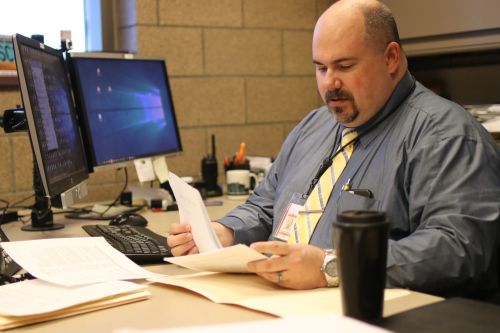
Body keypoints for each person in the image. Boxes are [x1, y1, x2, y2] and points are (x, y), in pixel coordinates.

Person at [167, 0, 500, 296]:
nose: (330, 83)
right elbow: (266, 206)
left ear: (391, 58)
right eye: (320, 68)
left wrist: (332, 266)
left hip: (363, 311)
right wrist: (225, 232)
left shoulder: (446, 136)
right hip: (273, 297)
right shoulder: (314, 125)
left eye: (344, 66)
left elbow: (460, 247)